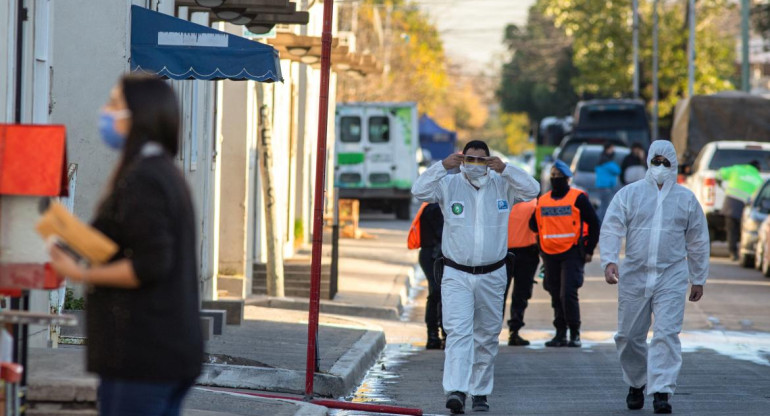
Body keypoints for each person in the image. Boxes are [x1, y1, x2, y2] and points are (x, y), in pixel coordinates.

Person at [48, 74, 203, 416]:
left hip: (144, 357)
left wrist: (79, 273)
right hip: (163, 355)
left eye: (115, 105)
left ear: (140, 115)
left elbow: (149, 264)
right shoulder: (156, 172)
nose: (105, 111)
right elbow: (111, 239)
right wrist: (57, 228)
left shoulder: (146, 178)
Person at [412, 140, 539, 414]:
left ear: (489, 161)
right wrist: (442, 166)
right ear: (462, 159)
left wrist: (506, 169)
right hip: (456, 272)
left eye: (482, 161)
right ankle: (456, 390)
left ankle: (480, 391)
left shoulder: (503, 184)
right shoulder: (449, 184)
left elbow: (533, 190)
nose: (475, 166)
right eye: (470, 159)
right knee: (458, 332)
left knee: (487, 335)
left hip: (493, 273)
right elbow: (419, 191)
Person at [600, 140, 709, 414]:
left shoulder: (686, 199)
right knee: (627, 336)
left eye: (666, 162)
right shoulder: (630, 194)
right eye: (655, 161)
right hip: (635, 274)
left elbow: (698, 240)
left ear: (673, 165)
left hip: (671, 274)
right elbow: (612, 227)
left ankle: (661, 391)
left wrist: (698, 276)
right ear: (648, 162)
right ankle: (637, 383)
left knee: (666, 334)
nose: (660, 167)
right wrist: (610, 260)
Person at [530, 160, 600, 349]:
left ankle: (574, 333)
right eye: (553, 177)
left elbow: (594, 223)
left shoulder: (578, 198)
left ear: (568, 179)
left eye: (559, 177)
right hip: (549, 254)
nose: (556, 180)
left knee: (567, 293)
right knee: (554, 293)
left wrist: (588, 249)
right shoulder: (542, 200)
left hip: (572, 253)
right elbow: (533, 224)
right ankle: (560, 333)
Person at [409, 202, 445, 349]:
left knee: (439, 293)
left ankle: (439, 335)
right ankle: (434, 335)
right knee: (438, 292)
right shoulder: (435, 207)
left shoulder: (435, 206)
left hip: (435, 254)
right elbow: (443, 232)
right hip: (433, 254)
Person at [504, 198, 539, 346]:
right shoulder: (534, 202)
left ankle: (508, 331)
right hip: (519, 253)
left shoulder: (498, 198)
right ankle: (513, 331)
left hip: (507, 254)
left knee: (501, 295)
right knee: (519, 294)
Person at [718, 160, 762, 261]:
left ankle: (733, 253)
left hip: (731, 204)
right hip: (745, 208)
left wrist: (720, 184)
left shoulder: (737, 169)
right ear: (758, 169)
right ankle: (743, 253)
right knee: (743, 231)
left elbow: (719, 174)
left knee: (731, 230)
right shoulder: (758, 179)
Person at [595, 143, 622, 220]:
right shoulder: (607, 161)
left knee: (603, 205)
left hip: (601, 186)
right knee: (605, 207)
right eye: (612, 149)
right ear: (607, 149)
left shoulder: (600, 159)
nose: (613, 151)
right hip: (606, 186)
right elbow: (617, 170)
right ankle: (599, 222)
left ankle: (598, 221)